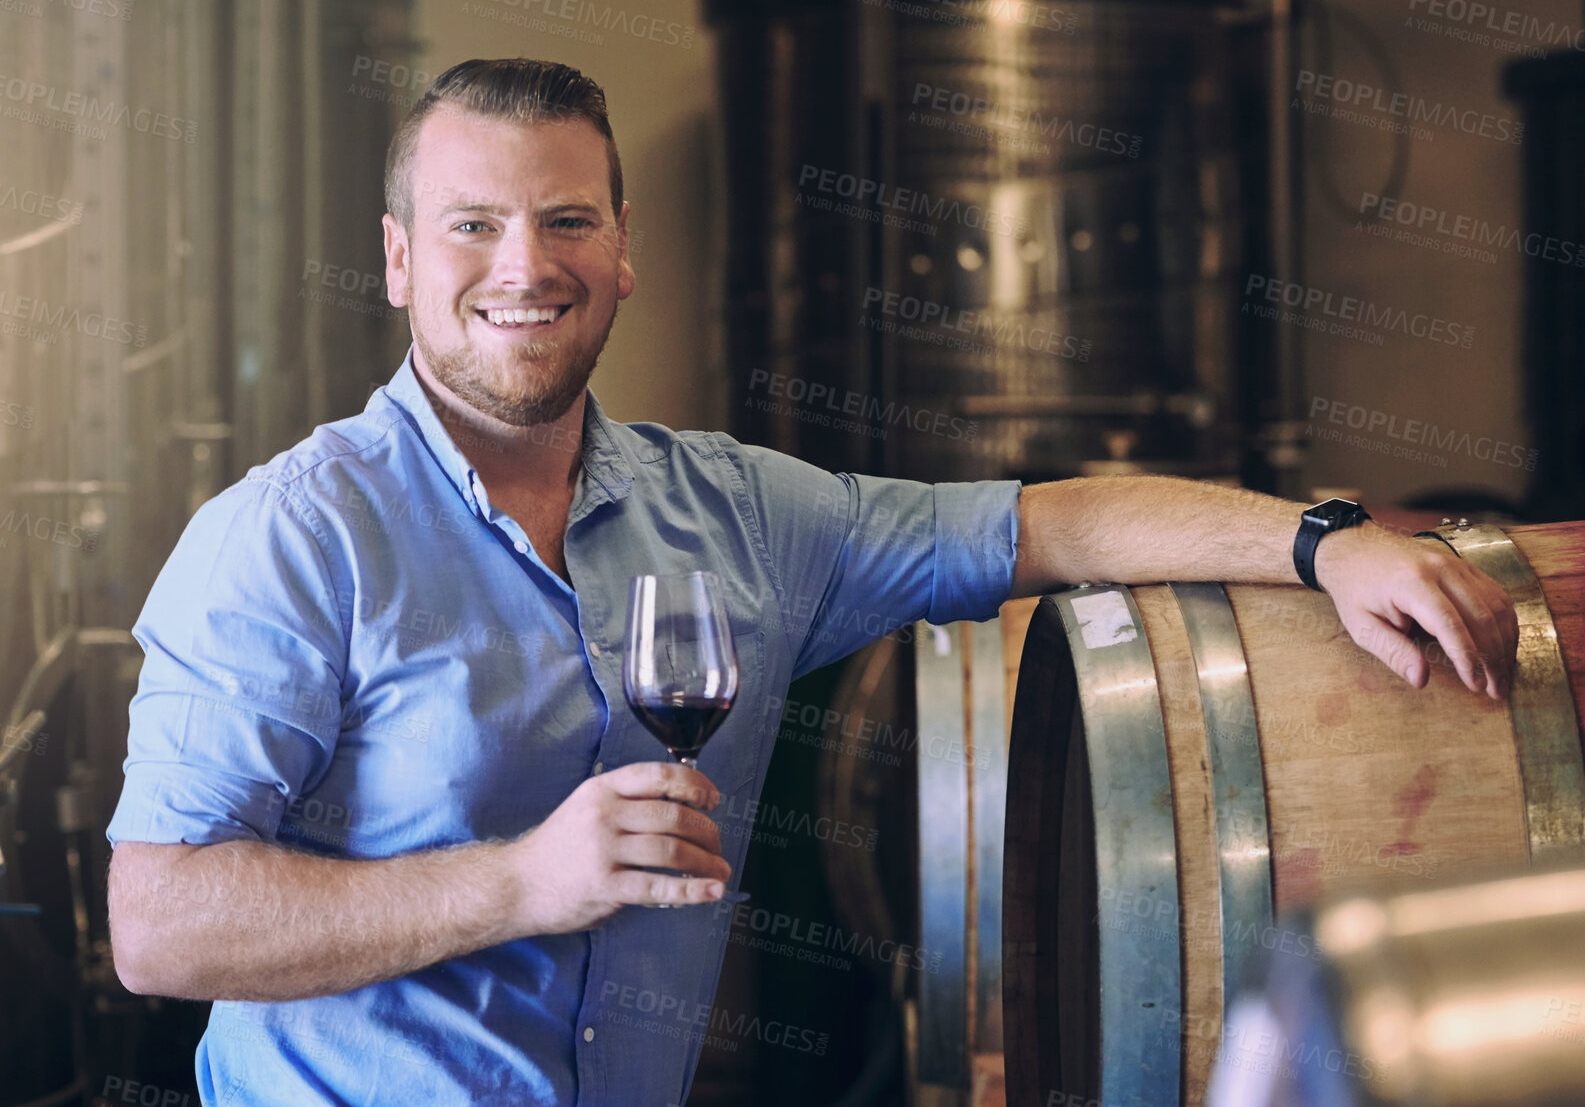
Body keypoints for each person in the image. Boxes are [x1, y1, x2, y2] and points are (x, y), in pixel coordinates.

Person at [105, 58, 1517, 1107]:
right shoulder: (290, 538)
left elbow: (1050, 528)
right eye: (471, 224)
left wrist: (1325, 541)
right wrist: (520, 880)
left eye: (566, 220)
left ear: (623, 251)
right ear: (401, 260)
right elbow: (158, 926)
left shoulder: (736, 509)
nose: (523, 265)